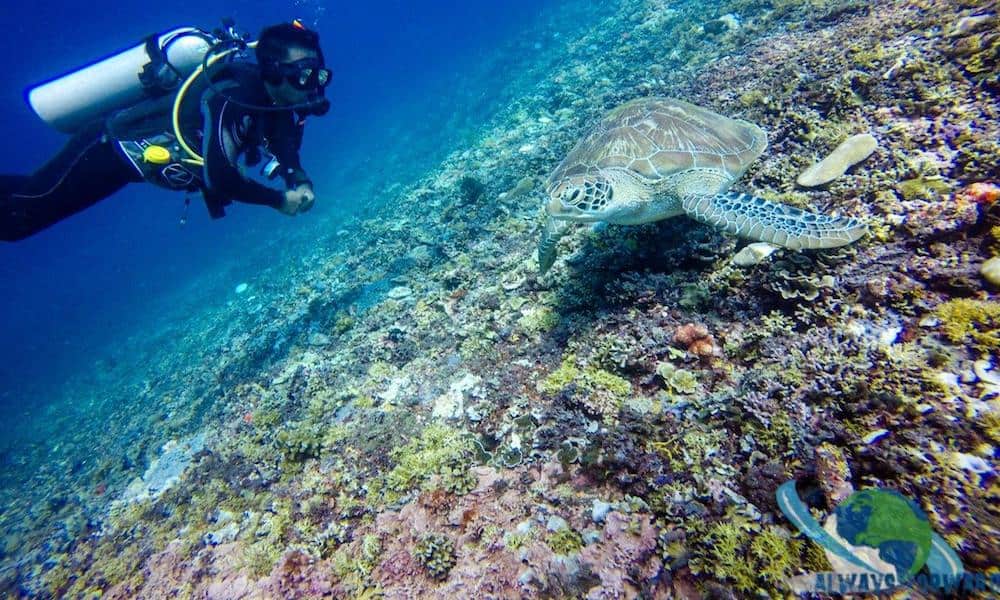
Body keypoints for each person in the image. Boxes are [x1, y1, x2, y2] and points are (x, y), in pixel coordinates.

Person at [0, 21, 332, 242]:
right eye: (303, 76)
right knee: (19, 218)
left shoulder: (271, 102)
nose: (312, 86)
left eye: (318, 76)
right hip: (107, 149)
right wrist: (278, 200)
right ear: (273, 73)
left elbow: (283, 140)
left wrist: (299, 180)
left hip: (127, 165)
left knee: (27, 198)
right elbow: (221, 176)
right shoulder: (236, 96)